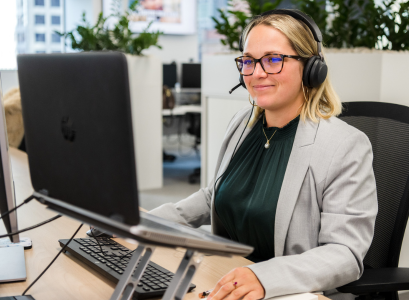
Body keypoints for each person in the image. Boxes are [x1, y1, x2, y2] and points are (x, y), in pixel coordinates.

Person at [149, 9, 378, 300]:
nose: (257, 73)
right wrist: (142, 223)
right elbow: (213, 196)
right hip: (225, 278)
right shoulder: (242, 124)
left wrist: (263, 277)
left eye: (273, 59)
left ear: (311, 67)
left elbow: (345, 253)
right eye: (248, 61)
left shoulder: (345, 145)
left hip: (287, 291)